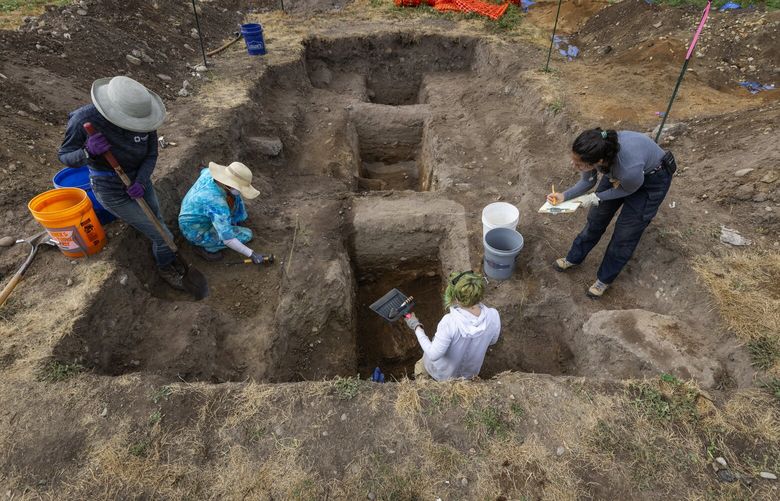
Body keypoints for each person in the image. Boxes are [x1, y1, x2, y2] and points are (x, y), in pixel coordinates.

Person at [58, 76, 185, 290]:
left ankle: (161, 245)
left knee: (158, 218)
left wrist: (142, 181)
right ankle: (165, 266)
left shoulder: (143, 116)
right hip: (110, 189)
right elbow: (64, 156)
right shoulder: (84, 120)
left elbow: (151, 153)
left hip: (139, 180)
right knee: (163, 236)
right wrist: (87, 153)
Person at [547, 128, 676, 298]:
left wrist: (595, 197)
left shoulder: (628, 168)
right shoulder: (598, 150)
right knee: (596, 218)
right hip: (621, 172)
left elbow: (627, 190)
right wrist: (564, 196)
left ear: (598, 161)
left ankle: (604, 279)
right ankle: (574, 257)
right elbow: (588, 182)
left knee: (625, 233)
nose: (574, 165)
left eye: (578, 163)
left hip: (652, 180)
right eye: (573, 159)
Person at [404, 271, 501, 381]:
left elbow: (433, 354)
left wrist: (416, 326)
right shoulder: (493, 316)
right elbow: (492, 341)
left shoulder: (450, 322)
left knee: (420, 368)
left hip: (440, 374)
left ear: (457, 299)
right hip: (467, 377)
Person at [178, 162, 267, 263]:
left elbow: (203, 170)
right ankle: (204, 247)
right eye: (240, 187)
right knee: (247, 234)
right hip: (195, 230)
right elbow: (228, 239)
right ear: (228, 184)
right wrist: (252, 254)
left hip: (197, 214)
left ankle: (234, 221)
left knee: (236, 196)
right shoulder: (217, 203)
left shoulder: (209, 173)